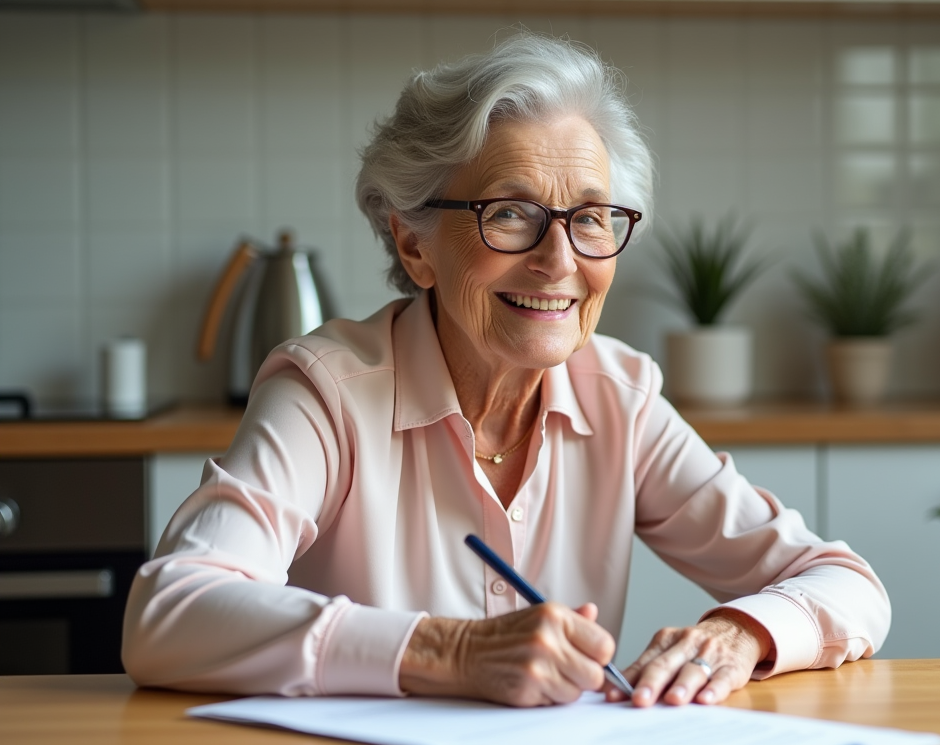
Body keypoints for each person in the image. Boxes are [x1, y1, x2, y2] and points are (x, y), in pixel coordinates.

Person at [122, 33, 890, 709]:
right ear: (414, 244)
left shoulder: (620, 395)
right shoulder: (327, 392)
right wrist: (450, 652)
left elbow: (848, 584)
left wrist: (739, 630)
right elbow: (170, 614)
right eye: (511, 212)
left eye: (590, 217)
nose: (560, 261)